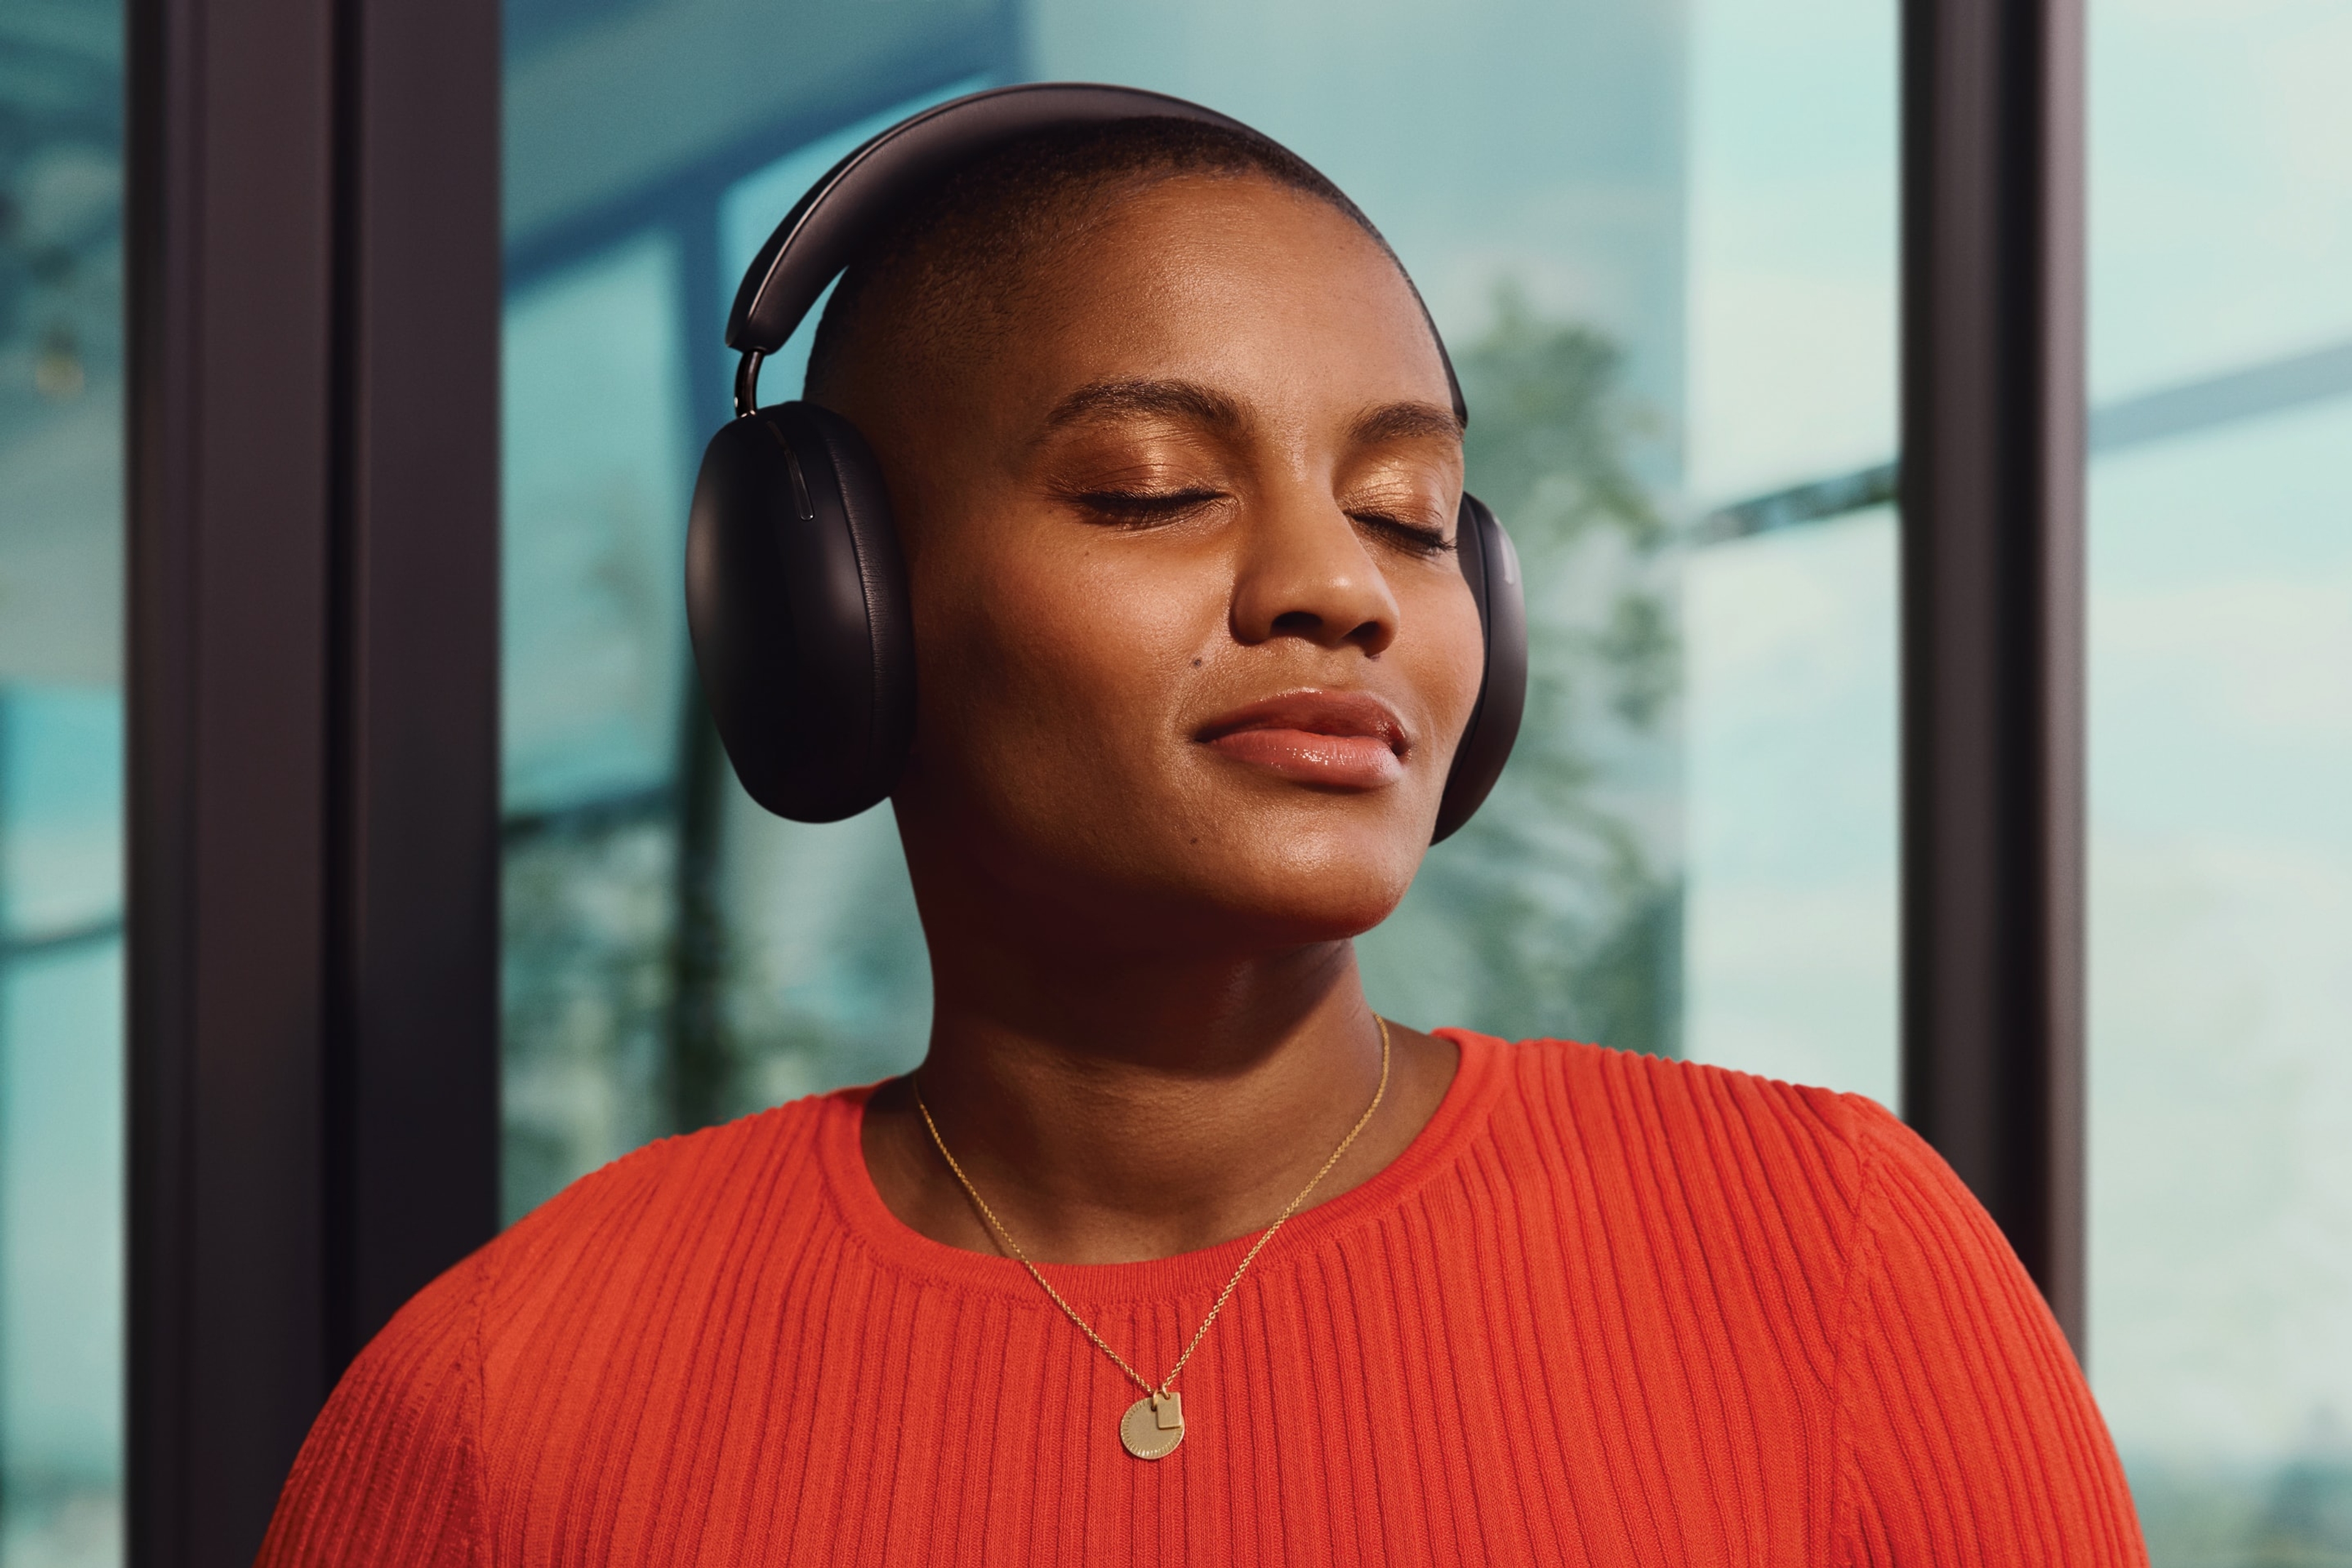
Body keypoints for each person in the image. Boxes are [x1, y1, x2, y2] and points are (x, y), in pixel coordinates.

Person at [257, 110, 2146, 1566]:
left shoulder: (1826, 1252)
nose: (1343, 585)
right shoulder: (499, 1402)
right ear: (834, 607)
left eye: (1410, 512)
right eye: (1153, 489)